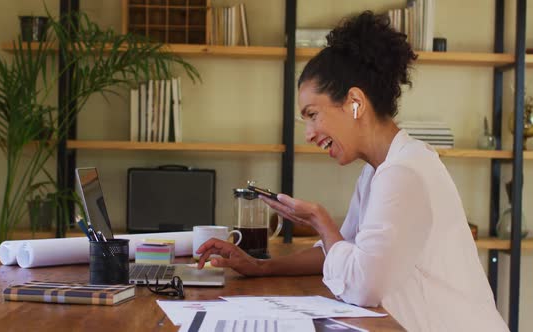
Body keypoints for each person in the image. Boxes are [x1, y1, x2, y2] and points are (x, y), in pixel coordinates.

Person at [196, 11, 509, 331]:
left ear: (355, 102)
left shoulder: (404, 172)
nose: (309, 133)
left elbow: (363, 285)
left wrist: (320, 220)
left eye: (313, 115)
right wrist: (261, 267)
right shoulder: (378, 171)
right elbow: (342, 251)